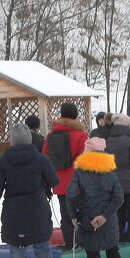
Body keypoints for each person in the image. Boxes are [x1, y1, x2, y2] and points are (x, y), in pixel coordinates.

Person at [0, 123, 58, 258]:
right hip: (38, 212)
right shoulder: (40, 159)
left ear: (12, 142)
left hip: (14, 215)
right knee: (43, 253)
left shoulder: (3, 162)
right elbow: (54, 181)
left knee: (17, 256)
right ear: (29, 139)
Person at [66, 137, 127, 258]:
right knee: (113, 253)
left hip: (87, 218)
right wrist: (105, 215)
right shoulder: (110, 172)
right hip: (108, 220)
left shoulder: (79, 172)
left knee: (92, 257)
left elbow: (71, 195)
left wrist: (73, 216)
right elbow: (119, 198)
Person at [94, 112, 130, 244]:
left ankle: (117, 244)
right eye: (129, 125)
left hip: (115, 186)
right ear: (125, 126)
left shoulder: (107, 143)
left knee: (119, 217)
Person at [45, 102, 89, 250]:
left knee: (65, 213)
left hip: (58, 182)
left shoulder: (51, 135)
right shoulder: (81, 135)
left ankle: (70, 244)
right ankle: (83, 242)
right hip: (77, 181)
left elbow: (44, 158)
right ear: (76, 115)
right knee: (81, 212)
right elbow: (85, 158)